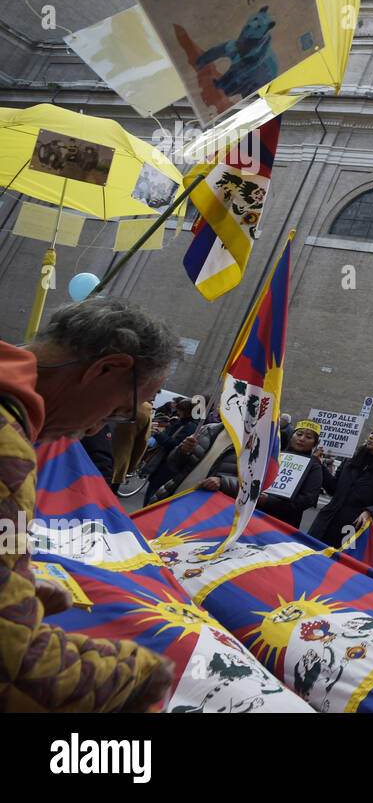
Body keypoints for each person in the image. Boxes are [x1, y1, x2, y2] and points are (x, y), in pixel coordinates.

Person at [1, 297, 177, 710]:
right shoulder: (6, 448)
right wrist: (133, 674)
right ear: (107, 368)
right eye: (118, 411)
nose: (97, 428)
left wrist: (16, 596)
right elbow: (13, 664)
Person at [308, 422, 373, 548]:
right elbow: (333, 488)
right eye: (372, 433)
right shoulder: (351, 461)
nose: (371, 436)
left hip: (351, 531)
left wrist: (370, 512)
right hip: (326, 522)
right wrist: (320, 466)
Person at [258, 419, 325, 530]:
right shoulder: (274, 457)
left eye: (308, 437)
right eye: (299, 434)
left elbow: (307, 499)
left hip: (283, 522)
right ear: (291, 436)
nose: (302, 439)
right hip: (256, 513)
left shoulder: (314, 467)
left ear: (315, 443)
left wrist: (270, 501)